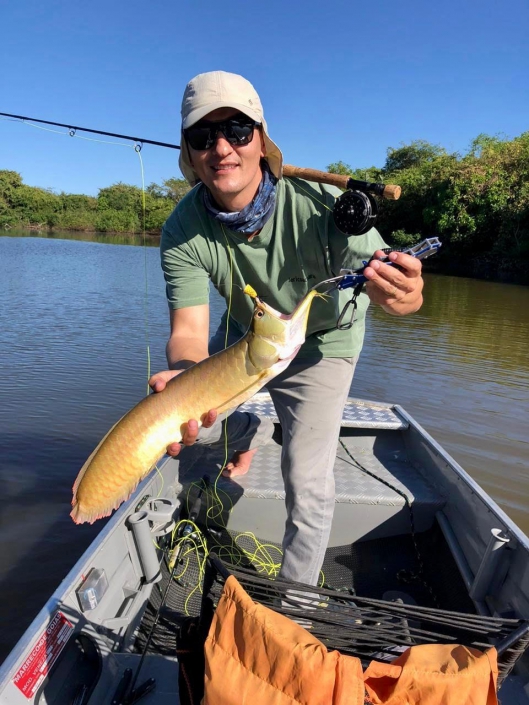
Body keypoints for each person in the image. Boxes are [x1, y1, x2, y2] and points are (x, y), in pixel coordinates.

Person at [149, 71, 424, 586]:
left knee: (307, 476)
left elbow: (396, 291)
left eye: (237, 129)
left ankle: (297, 603)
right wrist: (184, 379)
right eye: (203, 136)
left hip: (324, 340)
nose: (222, 147)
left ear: (262, 140)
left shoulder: (324, 207)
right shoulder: (183, 228)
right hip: (245, 334)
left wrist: (404, 297)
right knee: (196, 431)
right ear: (189, 153)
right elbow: (187, 330)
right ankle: (239, 438)